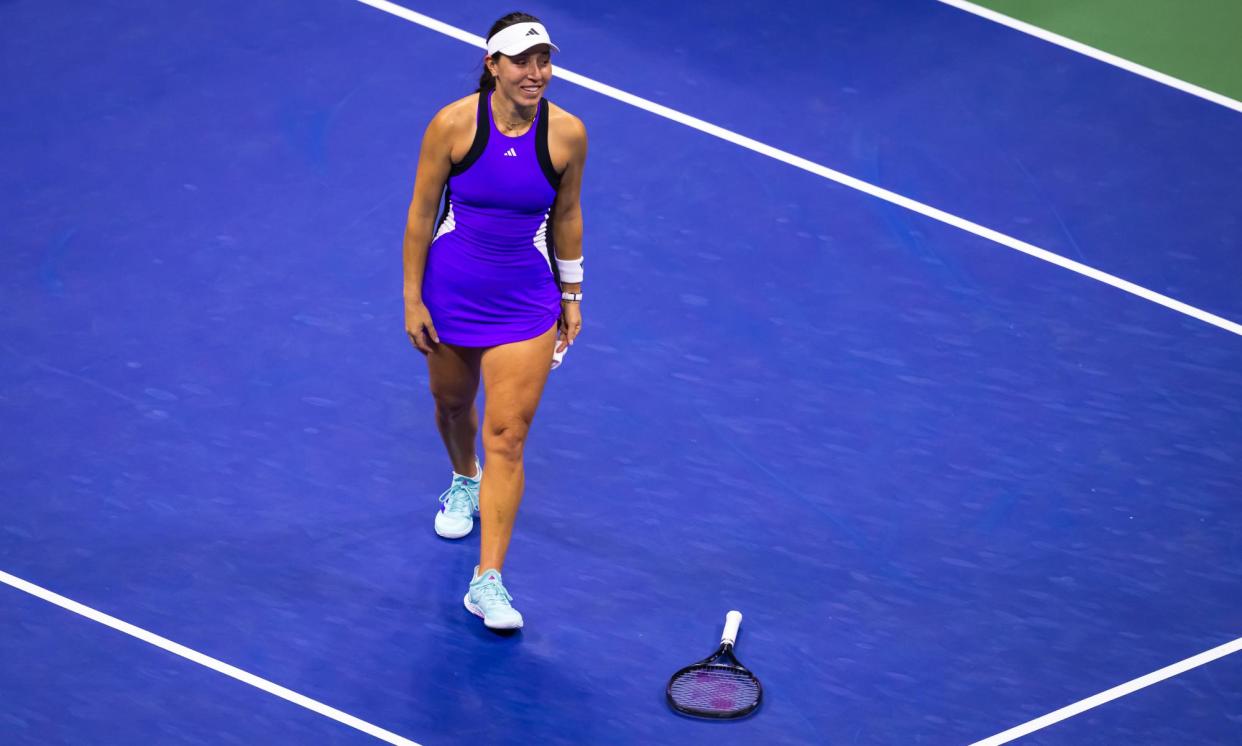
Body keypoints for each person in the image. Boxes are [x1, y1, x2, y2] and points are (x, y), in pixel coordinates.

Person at [402, 12, 587, 630]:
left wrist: (572, 294)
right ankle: (463, 478)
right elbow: (422, 212)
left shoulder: (567, 135)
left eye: (543, 61)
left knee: (508, 435)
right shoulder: (453, 124)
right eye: (522, 62)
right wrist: (411, 297)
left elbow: (566, 216)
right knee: (453, 406)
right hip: (451, 292)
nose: (536, 74)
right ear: (493, 66)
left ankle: (488, 582)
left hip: (525, 303)